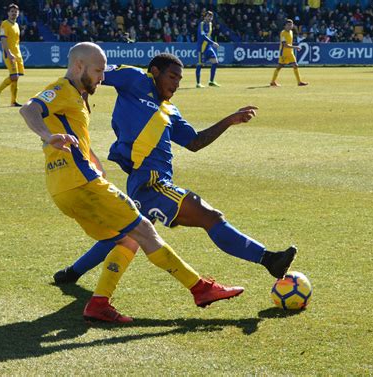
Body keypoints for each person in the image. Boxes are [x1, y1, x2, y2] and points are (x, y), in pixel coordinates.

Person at [20, 42, 244, 324]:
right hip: (81, 184)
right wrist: (45, 135)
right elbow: (29, 109)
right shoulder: (63, 89)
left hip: (62, 189)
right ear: (79, 66)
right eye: (99, 71)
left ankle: (99, 302)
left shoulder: (76, 97)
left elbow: (76, 139)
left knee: (127, 238)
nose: (103, 77)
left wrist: (94, 165)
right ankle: (200, 289)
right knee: (144, 230)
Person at [54, 53, 297, 289]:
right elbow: (93, 73)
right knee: (209, 216)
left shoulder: (170, 111)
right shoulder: (134, 78)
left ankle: (73, 272)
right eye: (172, 77)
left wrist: (229, 120)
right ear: (155, 72)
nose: (176, 84)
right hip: (151, 182)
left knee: (126, 233)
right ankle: (268, 259)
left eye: (180, 80)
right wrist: (81, 100)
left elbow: (195, 143)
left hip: (152, 181)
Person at [0, 3, 23, 107]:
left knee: (16, 78)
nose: (14, 13)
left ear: (18, 13)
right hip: (9, 53)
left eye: (15, 12)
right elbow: (3, 39)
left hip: (17, 54)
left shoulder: (17, 25)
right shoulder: (5, 24)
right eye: (12, 11)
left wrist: (17, 54)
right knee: (14, 76)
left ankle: (13, 102)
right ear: (8, 13)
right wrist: (9, 53)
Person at [270, 19, 308, 87]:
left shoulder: (291, 32)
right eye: (288, 25)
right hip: (284, 53)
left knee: (295, 65)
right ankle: (273, 82)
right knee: (279, 67)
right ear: (285, 26)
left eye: (291, 25)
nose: (290, 26)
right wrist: (295, 47)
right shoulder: (283, 33)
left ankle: (299, 82)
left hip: (290, 52)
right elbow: (285, 45)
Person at [196, 11, 220, 88]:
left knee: (215, 62)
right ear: (205, 17)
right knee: (200, 64)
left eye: (211, 17)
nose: (210, 18)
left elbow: (208, 36)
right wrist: (213, 42)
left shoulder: (210, 24)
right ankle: (198, 83)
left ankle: (211, 81)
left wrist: (211, 43)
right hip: (201, 47)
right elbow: (203, 36)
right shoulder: (202, 24)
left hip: (208, 47)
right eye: (208, 16)